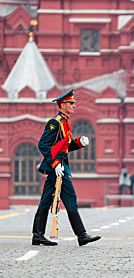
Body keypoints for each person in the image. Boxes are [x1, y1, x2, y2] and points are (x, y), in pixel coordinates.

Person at [32, 90, 101, 247]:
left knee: (46, 200)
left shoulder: (65, 122)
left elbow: (64, 146)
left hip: (59, 166)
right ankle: (81, 235)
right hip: (57, 167)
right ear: (63, 105)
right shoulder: (55, 122)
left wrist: (78, 143)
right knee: (70, 198)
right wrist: (55, 164)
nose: (75, 106)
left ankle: (37, 235)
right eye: (71, 103)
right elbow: (43, 145)